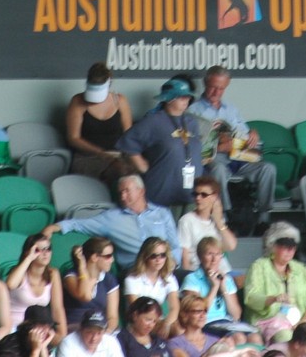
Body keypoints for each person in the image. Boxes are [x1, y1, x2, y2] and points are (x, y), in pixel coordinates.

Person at [186, 69, 276, 231]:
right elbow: (194, 147)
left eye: (221, 88)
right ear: (206, 84)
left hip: (238, 157)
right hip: (214, 159)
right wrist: (220, 146)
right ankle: (225, 216)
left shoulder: (231, 109)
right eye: (213, 87)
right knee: (218, 170)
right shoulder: (194, 110)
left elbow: (244, 131)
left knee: (268, 168)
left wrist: (252, 133)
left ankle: (264, 218)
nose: (217, 92)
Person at [47, 174, 178, 268]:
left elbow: (175, 245)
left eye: (127, 191)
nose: (122, 196)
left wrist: (173, 263)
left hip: (163, 267)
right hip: (135, 271)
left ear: (141, 191)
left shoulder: (162, 213)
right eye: (120, 192)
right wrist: (54, 227)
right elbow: (79, 224)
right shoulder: (111, 218)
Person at [117, 80, 203, 211]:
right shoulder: (153, 121)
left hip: (190, 191)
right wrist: (142, 166)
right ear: (168, 99)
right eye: (181, 96)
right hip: (162, 191)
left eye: (188, 96)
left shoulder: (191, 122)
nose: (187, 99)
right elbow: (127, 142)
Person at [242, 223, 306, 343]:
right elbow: (250, 296)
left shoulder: (302, 270)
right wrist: (272, 299)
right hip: (269, 321)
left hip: (302, 320)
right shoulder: (258, 267)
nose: (290, 250)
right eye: (285, 246)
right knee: (286, 338)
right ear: (272, 246)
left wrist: (304, 319)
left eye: (293, 247)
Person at [65, 63, 135, 183]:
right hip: (87, 157)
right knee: (119, 170)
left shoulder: (120, 101)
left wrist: (132, 157)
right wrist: (101, 153)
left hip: (118, 155)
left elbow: (128, 135)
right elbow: (73, 138)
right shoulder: (77, 102)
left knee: (135, 170)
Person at [5, 234, 65, 333]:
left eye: (48, 248)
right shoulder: (20, 272)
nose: (45, 253)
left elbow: (57, 308)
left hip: (39, 329)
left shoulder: (53, 274)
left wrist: (61, 333)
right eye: (39, 250)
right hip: (14, 328)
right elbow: (10, 284)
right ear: (28, 252)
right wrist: (28, 258)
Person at [60, 237, 120, 332]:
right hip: (75, 327)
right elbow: (85, 296)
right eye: (108, 256)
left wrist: (106, 333)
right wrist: (82, 268)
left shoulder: (109, 279)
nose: (112, 260)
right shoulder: (71, 276)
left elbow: (112, 317)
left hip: (100, 328)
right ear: (94, 257)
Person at [124, 237, 180, 338]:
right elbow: (139, 311)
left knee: (178, 328)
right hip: (140, 322)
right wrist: (160, 324)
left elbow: (175, 308)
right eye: (153, 256)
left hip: (159, 321)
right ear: (145, 256)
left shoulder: (169, 278)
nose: (158, 260)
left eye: (162, 255)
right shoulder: (132, 279)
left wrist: (166, 323)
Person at [178, 177, 236, 272]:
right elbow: (184, 255)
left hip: (223, 270)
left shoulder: (217, 220)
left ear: (214, 197)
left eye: (203, 195)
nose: (198, 198)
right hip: (199, 272)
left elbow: (231, 246)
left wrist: (218, 221)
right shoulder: (186, 220)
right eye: (195, 194)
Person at [165, 292, 220, 357]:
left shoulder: (215, 340)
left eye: (205, 311)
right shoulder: (175, 343)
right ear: (185, 315)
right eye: (198, 311)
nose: (202, 315)